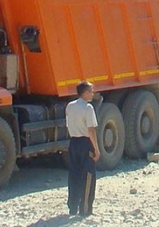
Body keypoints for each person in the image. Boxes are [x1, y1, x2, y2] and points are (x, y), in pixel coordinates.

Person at [65, 81, 100, 217]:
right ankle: (85, 209)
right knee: (88, 176)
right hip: (86, 142)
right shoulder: (88, 108)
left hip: (73, 142)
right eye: (91, 91)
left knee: (74, 174)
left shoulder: (70, 106)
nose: (93, 94)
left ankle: (72, 207)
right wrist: (96, 149)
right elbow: (91, 130)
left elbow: (68, 124)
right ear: (85, 93)